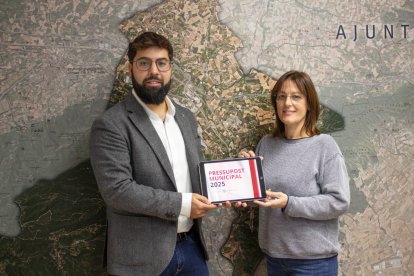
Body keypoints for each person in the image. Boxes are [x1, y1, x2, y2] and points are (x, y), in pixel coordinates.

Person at [89, 31, 218, 276]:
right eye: (144, 63)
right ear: (131, 68)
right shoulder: (112, 124)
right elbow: (117, 190)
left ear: (170, 67)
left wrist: (239, 183)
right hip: (141, 259)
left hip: (192, 248)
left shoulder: (185, 117)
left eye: (161, 63)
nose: (154, 71)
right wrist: (183, 204)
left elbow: (196, 171)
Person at [239, 70, 350, 276]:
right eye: (281, 96)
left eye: (296, 96)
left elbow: (338, 202)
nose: (287, 103)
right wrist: (241, 181)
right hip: (275, 259)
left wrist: (289, 203)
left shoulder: (325, 146)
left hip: (314, 264)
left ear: (309, 104)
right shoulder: (266, 144)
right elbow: (264, 197)